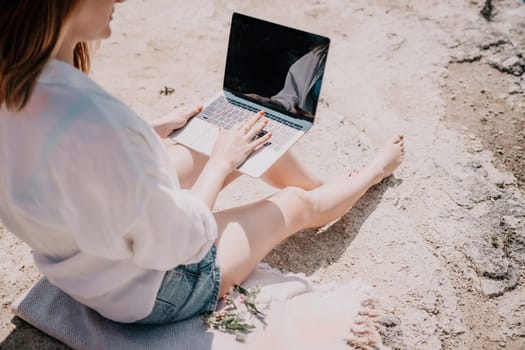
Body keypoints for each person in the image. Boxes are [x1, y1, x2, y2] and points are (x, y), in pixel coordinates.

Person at [0, 0, 405, 325]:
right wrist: (221, 164)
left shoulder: (18, 83)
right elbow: (178, 244)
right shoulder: (101, 122)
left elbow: (68, 155)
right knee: (292, 202)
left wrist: (150, 128)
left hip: (82, 260)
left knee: (218, 137)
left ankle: (323, 189)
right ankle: (370, 174)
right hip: (150, 291)